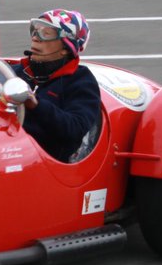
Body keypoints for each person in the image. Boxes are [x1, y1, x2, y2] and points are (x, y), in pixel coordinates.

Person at [16, 9, 102, 163]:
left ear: (66, 47)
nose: (36, 38)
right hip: (4, 149)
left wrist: (35, 105)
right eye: (34, 31)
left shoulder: (81, 81)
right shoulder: (15, 71)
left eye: (46, 33)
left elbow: (75, 129)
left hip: (44, 163)